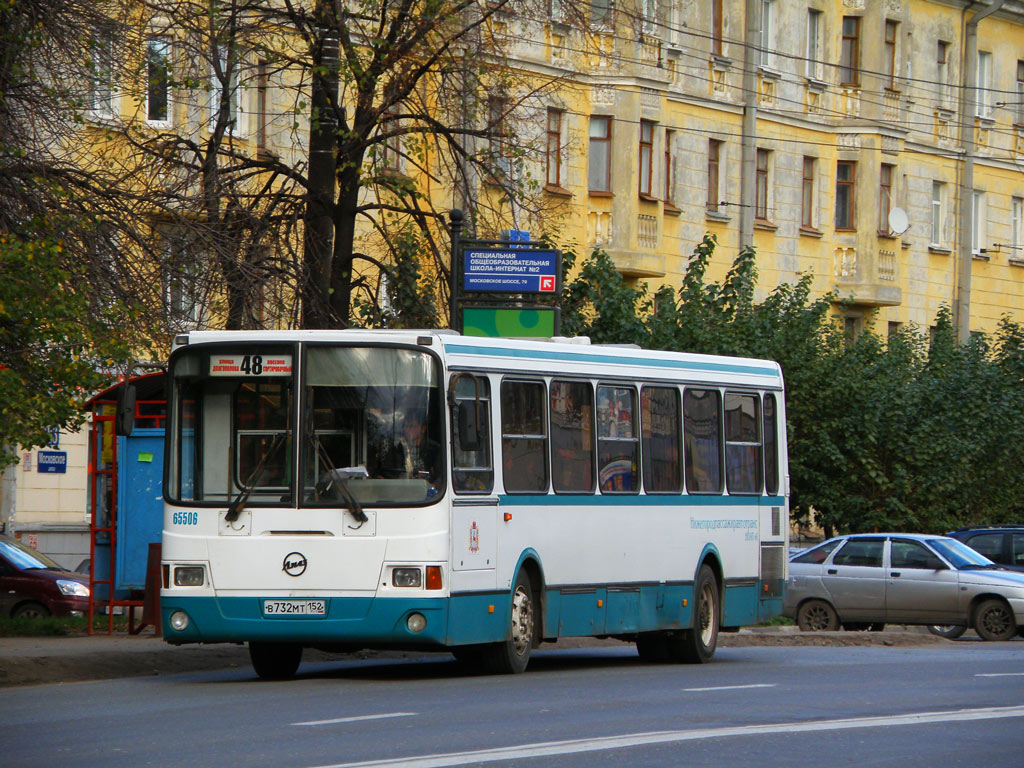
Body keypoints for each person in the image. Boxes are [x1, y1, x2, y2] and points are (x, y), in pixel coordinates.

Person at [378, 410, 440, 485]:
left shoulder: (434, 450)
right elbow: (385, 473)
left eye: (412, 426)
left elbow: (441, 477)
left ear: (423, 429)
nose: (408, 430)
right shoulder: (397, 448)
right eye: (406, 426)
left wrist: (434, 485)